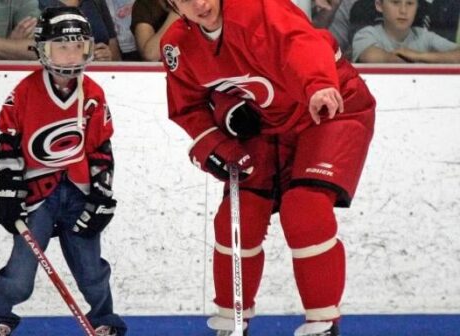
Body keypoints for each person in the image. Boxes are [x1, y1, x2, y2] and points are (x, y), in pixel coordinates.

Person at [161, 0, 376, 335]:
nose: (200, 3)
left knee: (305, 211)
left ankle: (322, 325)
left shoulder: (257, 9)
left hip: (329, 106)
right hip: (267, 125)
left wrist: (318, 83)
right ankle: (232, 323)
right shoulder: (177, 45)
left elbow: (302, 42)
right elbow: (187, 106)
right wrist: (214, 145)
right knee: (239, 216)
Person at [0, 7, 127, 336]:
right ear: (43, 48)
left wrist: (102, 195)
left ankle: (104, 321)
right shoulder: (26, 92)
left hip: (79, 193)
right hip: (36, 195)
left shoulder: (93, 94)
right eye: (62, 46)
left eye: (77, 47)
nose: (71, 55)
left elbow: (101, 147)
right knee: (19, 273)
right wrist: (7, 192)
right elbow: (9, 143)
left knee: (91, 271)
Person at [352, 0, 460, 63]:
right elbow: (371, 57)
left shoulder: (423, 35)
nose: (403, 11)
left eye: (410, 3)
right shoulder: (366, 34)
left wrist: (419, 56)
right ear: (379, 5)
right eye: (395, 2)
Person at [39, 0, 122, 61]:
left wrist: (108, 56)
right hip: (56, 76)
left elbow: (115, 53)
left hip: (100, 77)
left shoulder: (97, 2)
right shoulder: (36, 5)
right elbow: (28, 49)